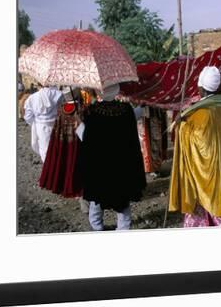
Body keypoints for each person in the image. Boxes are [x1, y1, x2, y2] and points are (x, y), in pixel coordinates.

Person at [168, 66, 221, 227]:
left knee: (202, 202)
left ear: (200, 87)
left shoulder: (201, 111)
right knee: (216, 202)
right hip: (217, 166)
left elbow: (198, 141)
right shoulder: (219, 106)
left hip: (203, 172)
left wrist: (182, 125)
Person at [76, 84, 146, 231]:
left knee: (97, 199)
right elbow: (135, 116)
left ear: (100, 92)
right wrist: (144, 106)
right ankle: (123, 229)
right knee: (123, 200)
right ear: (117, 91)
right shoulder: (126, 110)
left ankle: (97, 228)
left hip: (100, 166)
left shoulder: (91, 112)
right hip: (122, 165)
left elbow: (86, 139)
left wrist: (78, 123)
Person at [38, 87, 84, 198]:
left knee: (63, 159)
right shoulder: (80, 109)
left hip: (63, 140)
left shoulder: (61, 109)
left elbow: (58, 127)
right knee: (74, 161)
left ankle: (62, 184)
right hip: (76, 141)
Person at [23, 85, 63, 163]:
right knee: (57, 146)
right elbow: (63, 109)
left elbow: (28, 116)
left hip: (41, 126)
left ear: (38, 84)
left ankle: (48, 167)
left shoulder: (32, 98)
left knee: (44, 148)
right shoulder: (59, 94)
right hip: (56, 124)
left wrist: (35, 124)